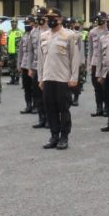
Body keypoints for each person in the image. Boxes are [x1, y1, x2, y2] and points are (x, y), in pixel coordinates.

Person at [38, 8, 81, 149]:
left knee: (63, 109)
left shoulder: (69, 35)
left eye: (53, 17)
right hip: (48, 78)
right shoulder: (43, 36)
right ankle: (54, 135)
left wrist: (74, 77)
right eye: (48, 17)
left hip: (63, 78)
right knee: (50, 109)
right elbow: (40, 60)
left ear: (60, 19)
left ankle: (64, 137)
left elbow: (75, 58)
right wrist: (40, 78)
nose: (50, 20)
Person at [87, 11, 108, 117]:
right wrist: (89, 65)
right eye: (97, 18)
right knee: (96, 87)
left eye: (101, 18)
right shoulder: (92, 32)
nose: (99, 20)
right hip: (95, 62)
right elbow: (90, 50)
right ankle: (99, 108)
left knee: (105, 86)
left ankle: (106, 108)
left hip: (105, 63)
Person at [17, 15, 37, 115]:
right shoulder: (24, 35)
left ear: (34, 23)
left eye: (28, 23)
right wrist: (19, 64)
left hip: (33, 65)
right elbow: (20, 51)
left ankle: (35, 106)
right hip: (24, 64)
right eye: (25, 24)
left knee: (34, 87)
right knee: (26, 87)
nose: (26, 25)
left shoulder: (36, 34)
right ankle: (28, 105)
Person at [6, 17, 23, 85]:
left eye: (15, 22)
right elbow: (7, 42)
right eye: (12, 22)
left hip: (17, 52)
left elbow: (22, 44)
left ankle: (17, 79)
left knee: (17, 66)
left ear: (17, 23)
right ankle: (12, 79)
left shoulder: (20, 32)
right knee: (10, 66)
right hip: (10, 52)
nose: (13, 24)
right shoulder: (9, 32)